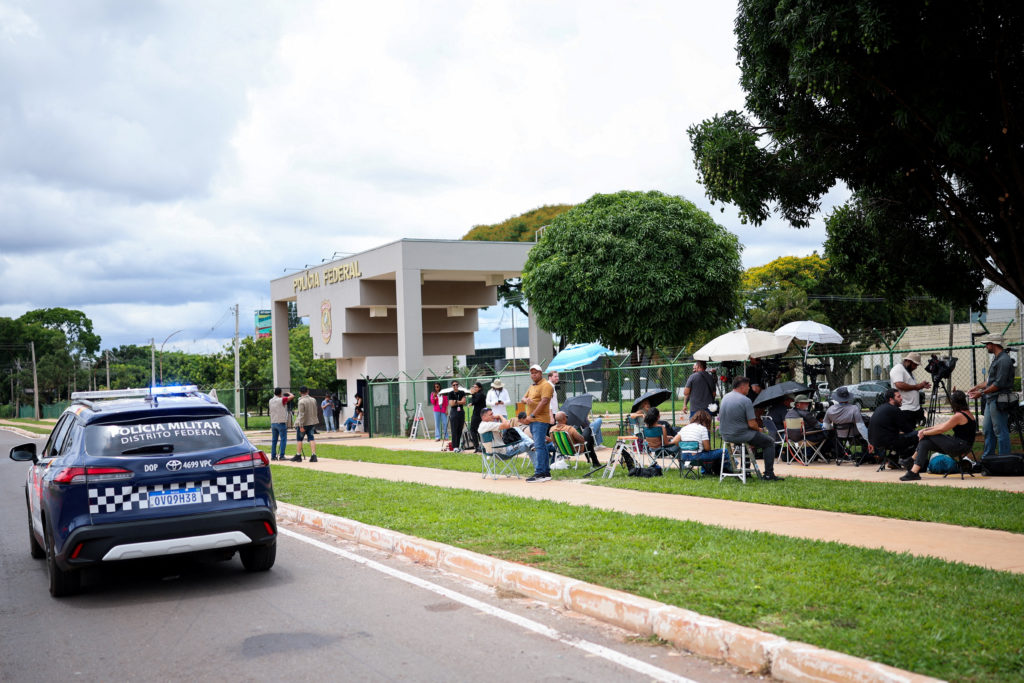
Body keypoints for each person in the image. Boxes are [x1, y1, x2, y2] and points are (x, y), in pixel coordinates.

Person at [900, 390, 978, 481]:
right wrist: (925, 429)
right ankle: (914, 472)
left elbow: (942, 429)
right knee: (925, 443)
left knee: (928, 436)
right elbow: (942, 425)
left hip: (960, 446)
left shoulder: (959, 416)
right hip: (960, 445)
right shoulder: (966, 413)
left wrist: (924, 433)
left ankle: (911, 460)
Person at [718, 376, 782, 480]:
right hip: (740, 435)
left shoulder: (725, 397)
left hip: (726, 435)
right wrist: (759, 429)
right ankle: (769, 474)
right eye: (748, 386)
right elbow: (752, 424)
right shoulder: (745, 400)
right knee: (769, 442)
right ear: (742, 387)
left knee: (749, 441)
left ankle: (746, 471)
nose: (749, 389)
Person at [968, 333, 1016, 457]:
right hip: (991, 399)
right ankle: (988, 459)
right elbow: (990, 381)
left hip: (999, 399)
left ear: (994, 344)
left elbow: (998, 384)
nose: (986, 346)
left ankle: (1004, 459)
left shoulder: (1004, 360)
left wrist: (981, 393)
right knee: (987, 430)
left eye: (987, 344)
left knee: (1000, 430)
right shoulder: (997, 358)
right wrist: (977, 387)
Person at [521, 363, 554, 482]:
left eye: (536, 373)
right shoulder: (532, 386)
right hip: (533, 420)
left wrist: (532, 415)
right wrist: (526, 400)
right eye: (532, 373)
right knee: (541, 446)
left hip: (539, 420)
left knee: (539, 446)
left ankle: (540, 473)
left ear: (541, 373)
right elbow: (523, 399)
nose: (533, 375)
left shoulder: (546, 385)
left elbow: (544, 402)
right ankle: (545, 473)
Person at [867, 388, 918, 465]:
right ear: (891, 399)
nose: (901, 398)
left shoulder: (880, 408)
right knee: (918, 435)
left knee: (902, 437)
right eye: (898, 397)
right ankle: (909, 461)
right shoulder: (894, 409)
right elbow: (907, 429)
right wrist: (917, 431)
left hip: (875, 441)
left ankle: (893, 460)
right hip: (888, 441)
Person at [890, 352, 931, 431]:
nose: (915, 367)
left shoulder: (907, 371)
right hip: (904, 408)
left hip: (911, 409)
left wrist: (921, 385)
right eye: (915, 365)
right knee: (906, 433)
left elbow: (912, 387)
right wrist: (917, 386)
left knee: (911, 432)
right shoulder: (898, 369)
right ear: (908, 361)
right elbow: (899, 384)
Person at [291, 386, 319, 462]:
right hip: (311, 422)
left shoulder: (301, 401)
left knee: (299, 439)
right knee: (311, 438)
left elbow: (301, 414)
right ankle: (314, 455)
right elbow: (315, 411)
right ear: (308, 391)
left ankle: (298, 455)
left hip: (303, 423)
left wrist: (301, 425)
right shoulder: (313, 400)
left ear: (300, 392)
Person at [268, 387, 293, 461]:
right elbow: (292, 397)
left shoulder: (270, 400)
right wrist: (289, 393)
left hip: (273, 422)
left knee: (274, 440)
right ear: (280, 393)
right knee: (283, 439)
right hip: (281, 422)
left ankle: (273, 456)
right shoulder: (281, 399)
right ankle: (282, 456)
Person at [447, 380, 468, 452]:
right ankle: (455, 447)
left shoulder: (462, 392)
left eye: (456, 384)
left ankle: (458, 446)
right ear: (452, 386)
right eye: (454, 385)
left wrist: (456, 401)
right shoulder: (450, 393)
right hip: (454, 412)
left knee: (460, 429)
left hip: (461, 411)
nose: (455, 386)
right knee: (454, 429)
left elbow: (464, 402)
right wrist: (459, 402)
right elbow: (451, 404)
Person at [468, 381, 487, 452]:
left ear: (480, 388)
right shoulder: (480, 394)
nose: (474, 388)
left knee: (473, 430)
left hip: (478, 415)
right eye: (474, 387)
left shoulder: (480, 394)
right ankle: (480, 446)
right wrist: (472, 402)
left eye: (476, 387)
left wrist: (473, 394)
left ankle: (477, 446)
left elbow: (475, 401)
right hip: (480, 414)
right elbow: (475, 402)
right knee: (479, 430)